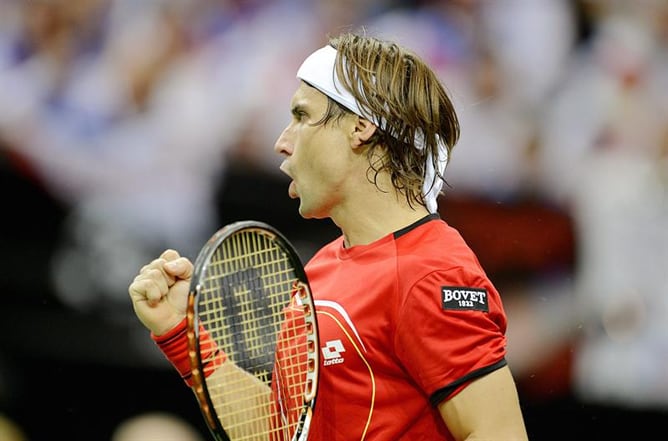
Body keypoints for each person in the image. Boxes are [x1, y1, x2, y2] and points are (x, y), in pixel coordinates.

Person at [128, 31, 528, 440]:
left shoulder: (433, 272)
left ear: (360, 127)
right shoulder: (321, 268)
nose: (282, 142)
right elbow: (278, 430)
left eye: (301, 116)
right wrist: (180, 330)